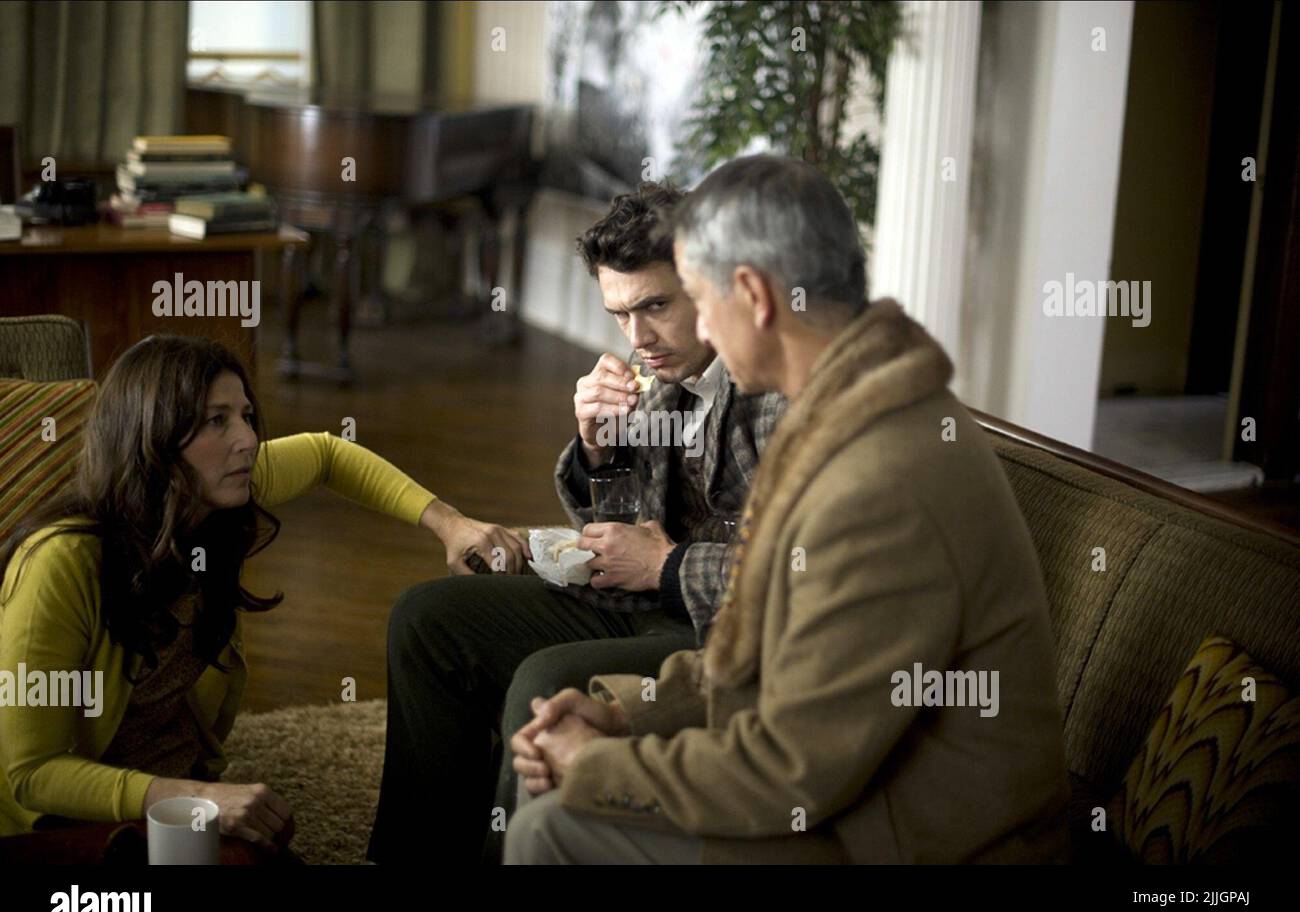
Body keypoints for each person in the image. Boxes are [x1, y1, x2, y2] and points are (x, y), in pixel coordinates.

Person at [506, 155, 1070, 864]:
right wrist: (625, 714)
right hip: (854, 805)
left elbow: (792, 770)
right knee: (560, 791)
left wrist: (598, 763)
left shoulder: (879, 481)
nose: (693, 329)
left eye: (697, 299)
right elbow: (767, 650)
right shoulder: (839, 409)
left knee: (550, 824)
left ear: (754, 296)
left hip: (899, 842)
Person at [368, 182, 786, 864]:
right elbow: (622, 522)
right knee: (424, 619)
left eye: (655, 306)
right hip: (645, 604)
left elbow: (797, 577)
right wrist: (598, 446)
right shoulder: (655, 368)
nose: (638, 338)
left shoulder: (780, 392)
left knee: (547, 682)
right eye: (619, 314)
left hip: (723, 639)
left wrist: (666, 564)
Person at [0, 335, 527, 850]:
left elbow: (328, 454)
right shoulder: (60, 562)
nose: (248, 440)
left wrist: (449, 523)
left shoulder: (214, 489)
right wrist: (198, 798)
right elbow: (32, 772)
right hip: (72, 821)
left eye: (246, 416)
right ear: (152, 437)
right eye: (217, 420)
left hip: (175, 799)